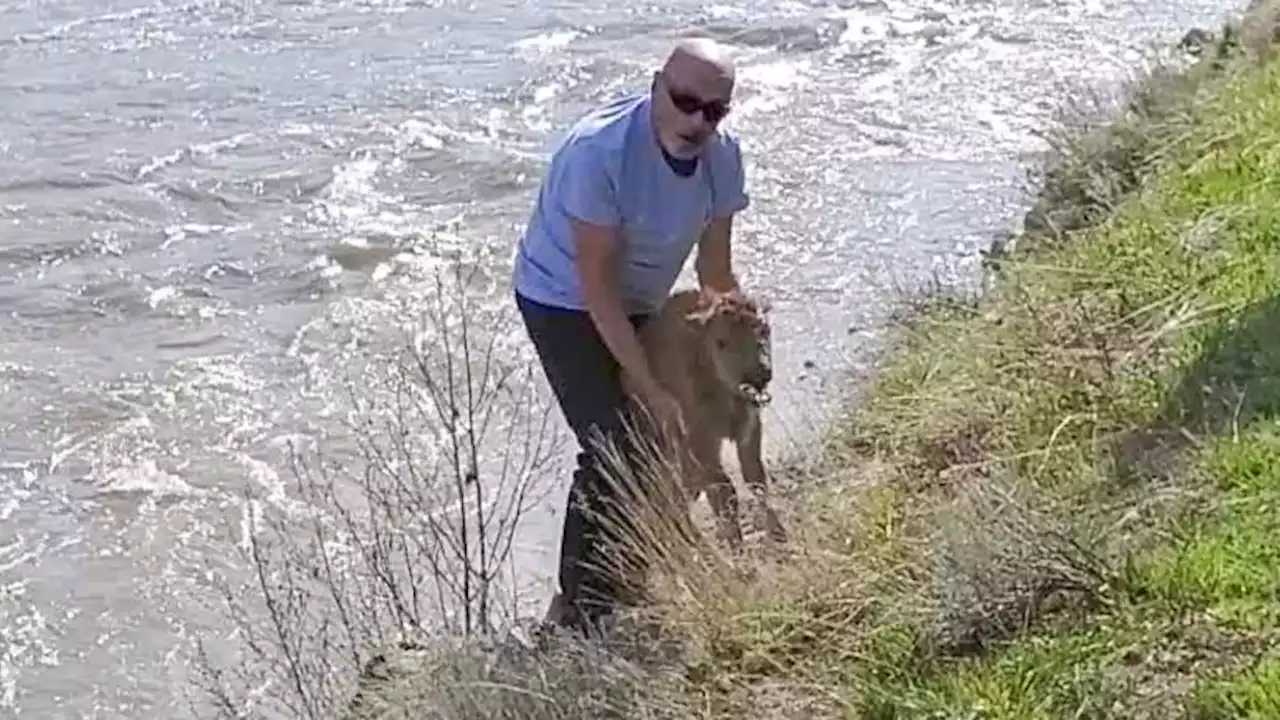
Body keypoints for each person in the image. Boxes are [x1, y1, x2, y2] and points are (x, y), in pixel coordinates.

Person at [510, 37, 751, 636]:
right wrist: (649, 387)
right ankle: (578, 615)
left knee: (686, 427)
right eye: (685, 100)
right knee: (618, 441)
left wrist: (740, 348)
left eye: (713, 110)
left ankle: (637, 567)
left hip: (643, 299)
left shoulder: (723, 159)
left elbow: (715, 274)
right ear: (655, 87)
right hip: (562, 298)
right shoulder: (600, 153)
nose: (697, 120)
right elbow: (597, 290)